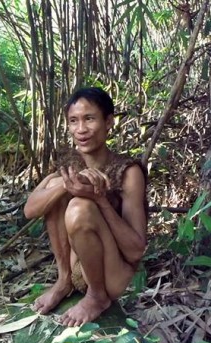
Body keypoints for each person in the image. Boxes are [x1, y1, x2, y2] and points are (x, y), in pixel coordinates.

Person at [24, 87, 147, 327]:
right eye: (73, 121)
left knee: (80, 207)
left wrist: (99, 198)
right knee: (58, 195)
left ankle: (97, 297)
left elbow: (135, 251)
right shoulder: (69, 163)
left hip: (113, 274)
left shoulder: (128, 172)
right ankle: (64, 281)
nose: (81, 130)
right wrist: (68, 183)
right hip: (77, 267)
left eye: (89, 119)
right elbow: (30, 210)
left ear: (108, 122)